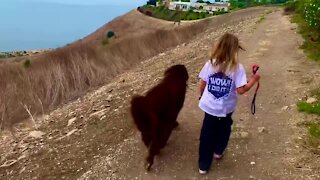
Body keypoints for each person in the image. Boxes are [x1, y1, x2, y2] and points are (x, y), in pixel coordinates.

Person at [197, 33, 260, 174]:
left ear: (218, 47)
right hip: (226, 109)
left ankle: (203, 165)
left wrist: (201, 96)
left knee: (207, 134)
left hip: (209, 107)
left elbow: (203, 83)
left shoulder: (210, 63)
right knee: (224, 129)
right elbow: (241, 90)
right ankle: (218, 151)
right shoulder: (237, 68)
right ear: (235, 50)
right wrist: (253, 80)